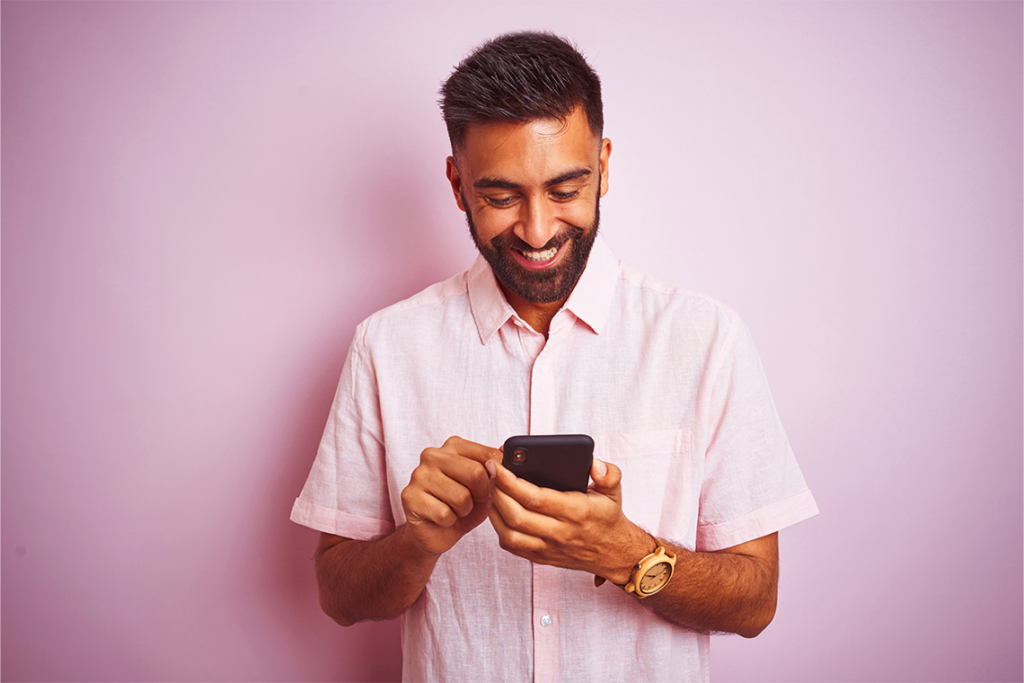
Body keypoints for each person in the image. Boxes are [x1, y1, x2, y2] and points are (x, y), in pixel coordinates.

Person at [291, 31, 818, 682]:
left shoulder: (706, 338)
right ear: (458, 184)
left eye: (566, 189)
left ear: (603, 165)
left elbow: (755, 599)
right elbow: (338, 594)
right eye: (502, 196)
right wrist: (417, 541)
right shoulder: (386, 347)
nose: (537, 231)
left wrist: (628, 552)